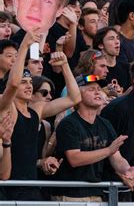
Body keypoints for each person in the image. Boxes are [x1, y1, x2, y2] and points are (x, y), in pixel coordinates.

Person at [0, 31, 82, 201]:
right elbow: (13, 84)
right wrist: (24, 46)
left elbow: (74, 98)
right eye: (24, 82)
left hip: (32, 185)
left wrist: (65, 65)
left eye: (30, 82)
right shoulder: (6, 107)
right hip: (9, 186)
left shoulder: (36, 110)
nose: (29, 86)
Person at [53, 74, 134, 202]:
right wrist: (108, 150)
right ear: (77, 95)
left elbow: (117, 158)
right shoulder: (68, 124)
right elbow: (74, 159)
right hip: (70, 194)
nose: (97, 92)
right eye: (91, 89)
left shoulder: (105, 124)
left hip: (96, 192)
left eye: (98, 89)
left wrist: (128, 170)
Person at [93, 27, 131, 91]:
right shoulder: (95, 67)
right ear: (101, 45)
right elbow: (83, 79)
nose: (117, 42)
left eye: (117, 38)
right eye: (111, 39)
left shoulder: (127, 68)